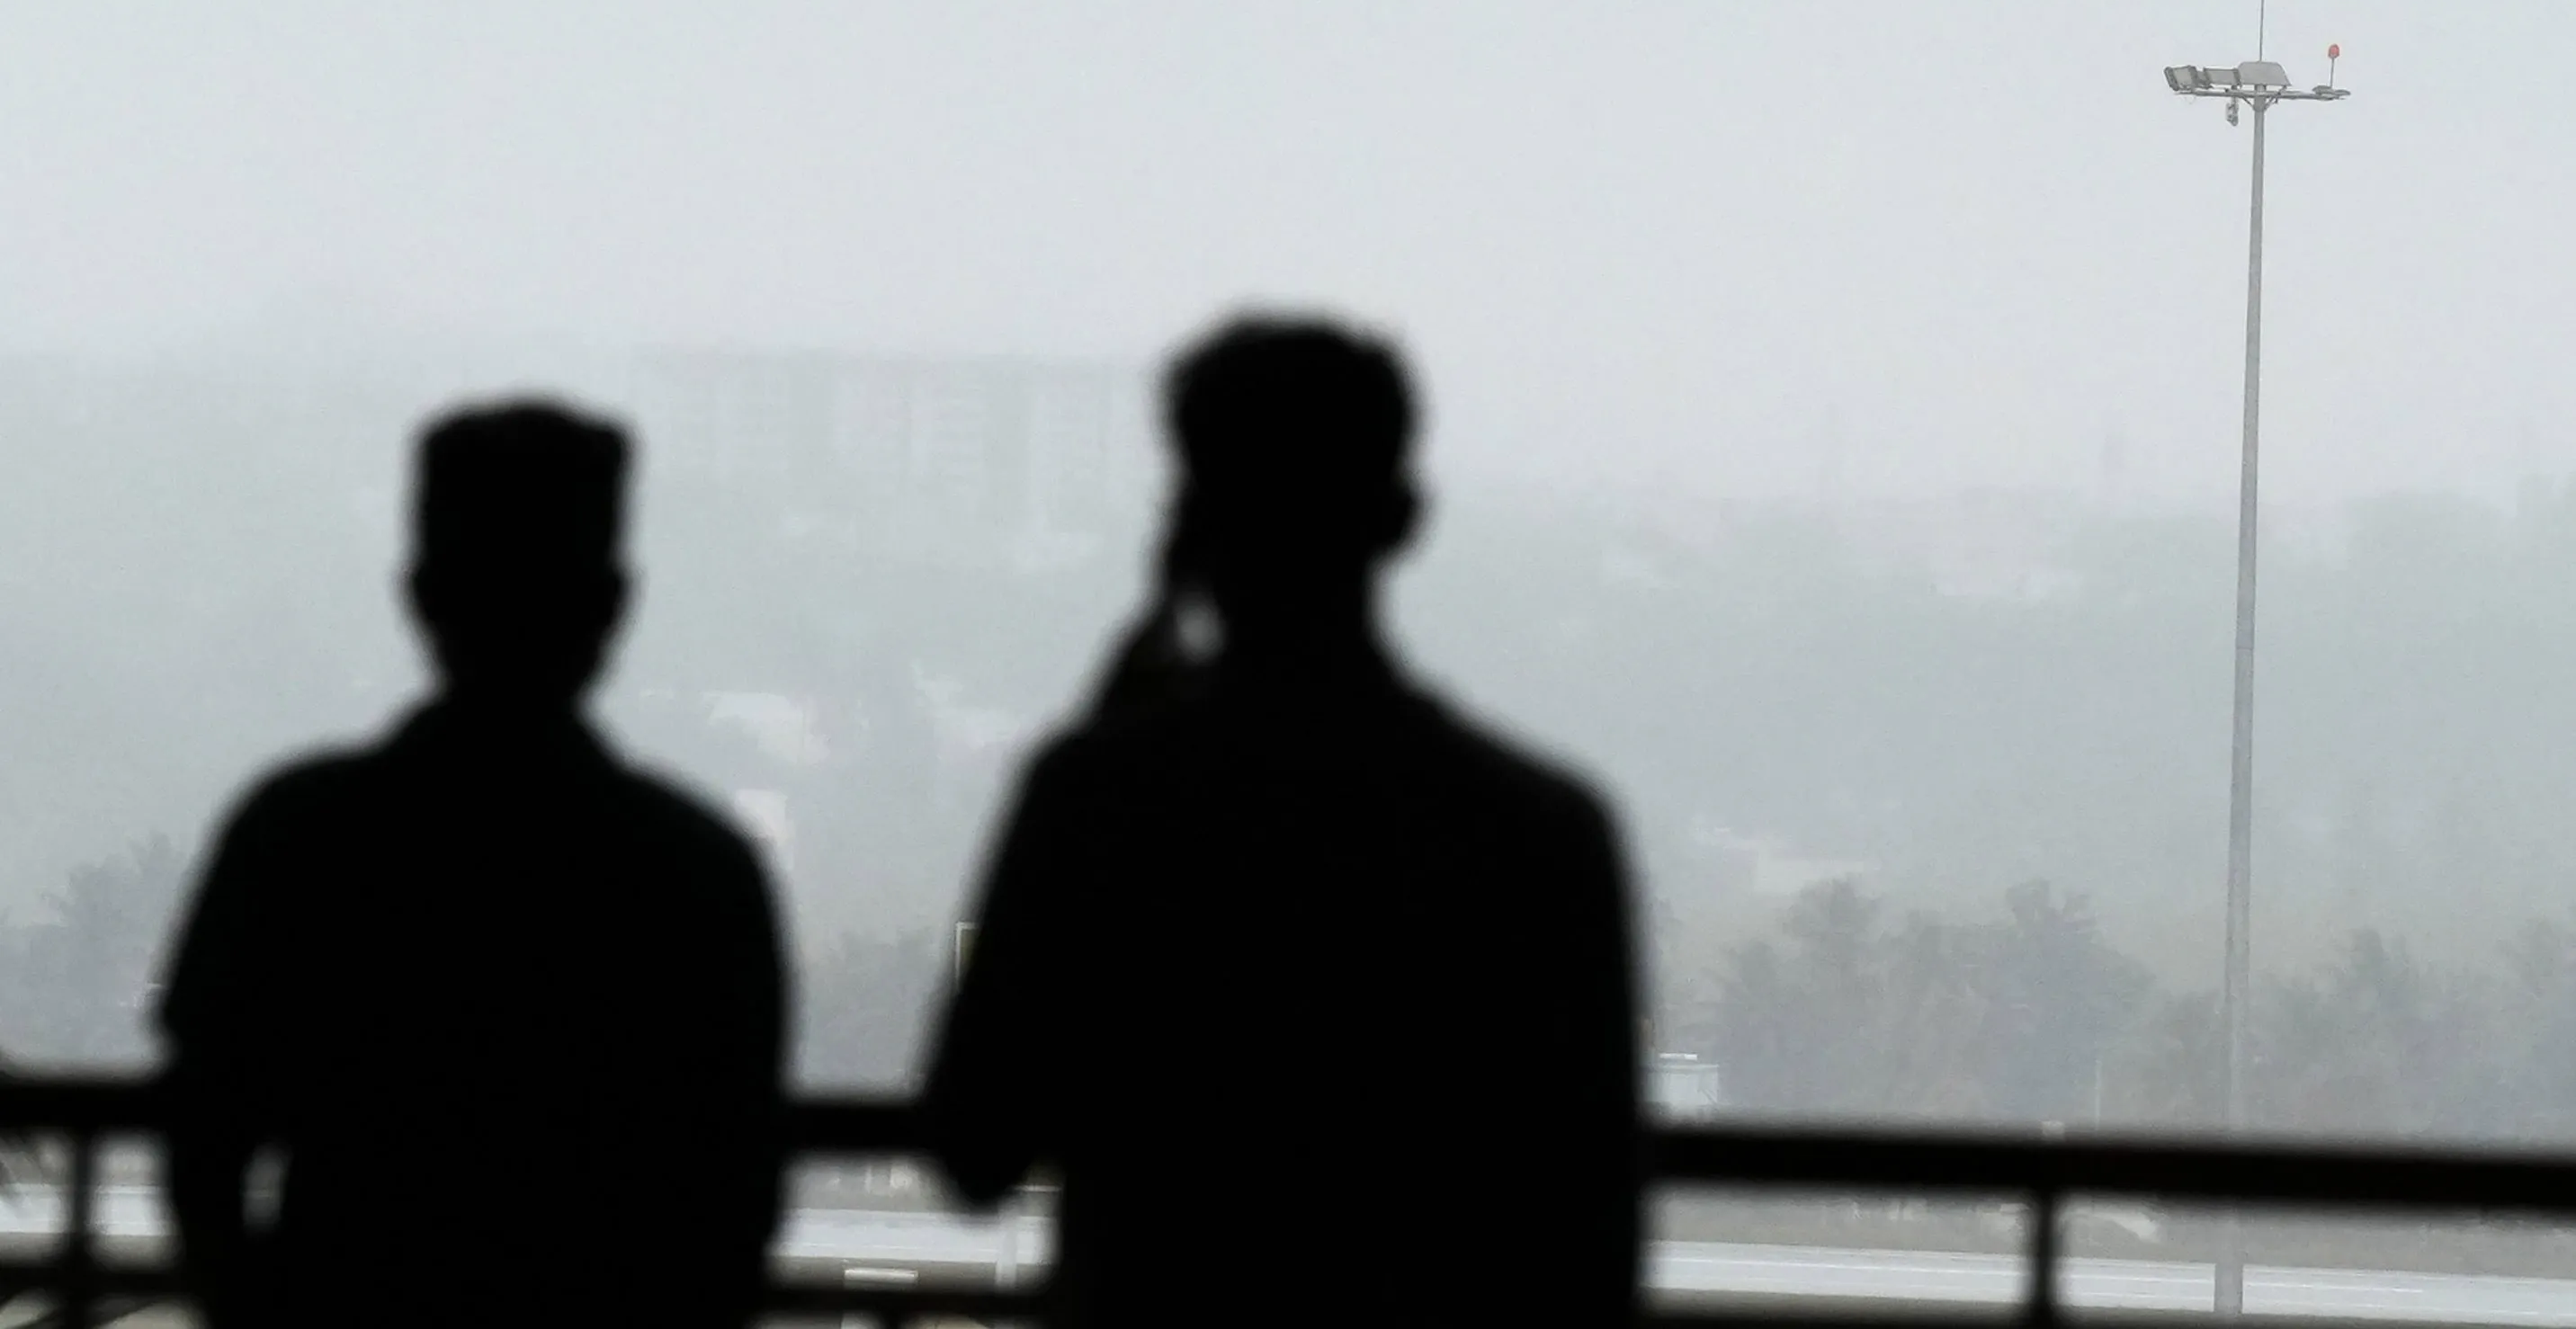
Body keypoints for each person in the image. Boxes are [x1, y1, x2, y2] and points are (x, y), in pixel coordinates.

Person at [925, 314, 1644, 1329]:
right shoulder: (1541, 832)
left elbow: (974, 1145)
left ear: (1186, 524)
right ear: (1400, 517)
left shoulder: (1097, 800)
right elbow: (1590, 1240)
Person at [158, 401, 787, 1329]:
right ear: (613, 601)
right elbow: (735, 1194)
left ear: (419, 591)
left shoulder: (298, 835)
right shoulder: (697, 871)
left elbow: (203, 1138)